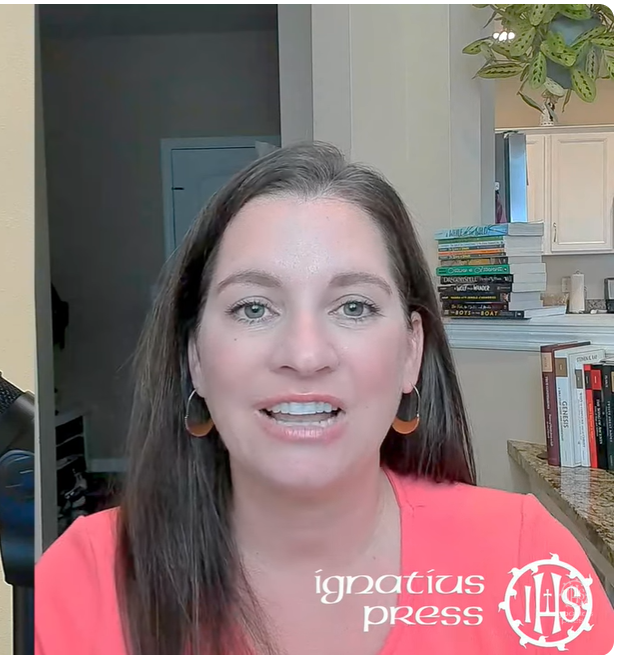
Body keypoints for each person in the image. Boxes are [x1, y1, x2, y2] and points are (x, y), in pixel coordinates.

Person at [34, 142, 614, 655]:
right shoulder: (89, 576)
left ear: (411, 353)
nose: (305, 355)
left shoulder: (525, 560)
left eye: (354, 307)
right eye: (254, 308)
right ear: (195, 359)